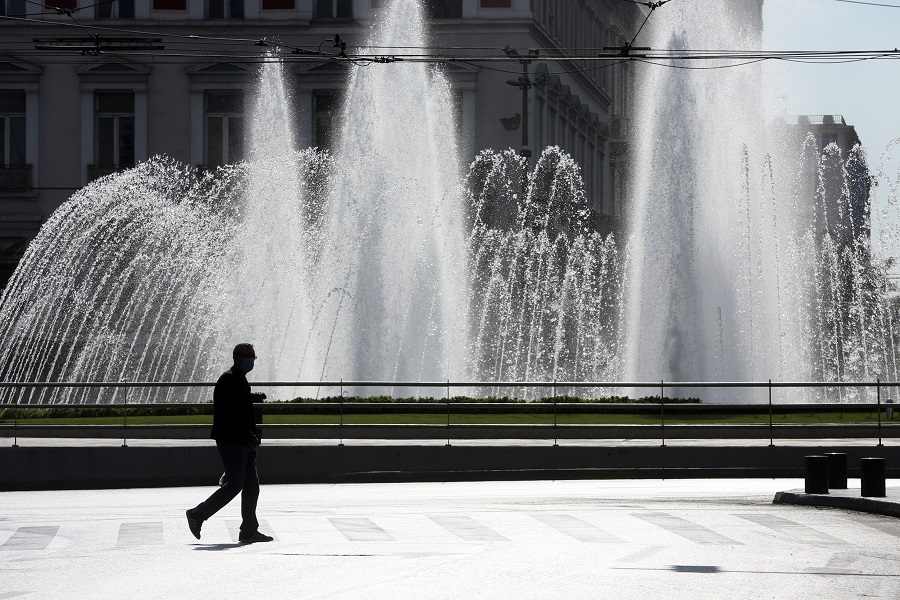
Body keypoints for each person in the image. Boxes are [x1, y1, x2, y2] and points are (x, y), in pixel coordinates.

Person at [186, 343, 273, 543]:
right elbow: (231, 415)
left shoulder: (239, 380)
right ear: (238, 358)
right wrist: (248, 435)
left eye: (254, 356)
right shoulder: (229, 379)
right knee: (235, 484)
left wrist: (252, 434)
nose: (253, 360)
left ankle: (249, 530)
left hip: (244, 441)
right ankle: (198, 514)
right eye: (250, 356)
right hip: (233, 441)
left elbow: (240, 409)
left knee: (252, 486)